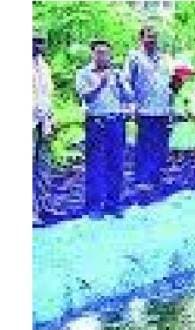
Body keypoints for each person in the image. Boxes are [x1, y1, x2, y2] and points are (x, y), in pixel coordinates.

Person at [75, 39, 130, 218]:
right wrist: (100, 84)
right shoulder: (83, 73)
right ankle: (94, 206)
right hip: (95, 123)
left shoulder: (117, 73)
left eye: (105, 53)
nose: (102, 56)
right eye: (98, 52)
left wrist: (121, 83)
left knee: (116, 163)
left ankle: (113, 203)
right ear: (92, 54)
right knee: (95, 165)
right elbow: (86, 98)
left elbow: (129, 97)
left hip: (115, 121)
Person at [124, 25, 173, 197]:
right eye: (148, 37)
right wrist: (131, 106)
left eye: (154, 37)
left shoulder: (165, 58)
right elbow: (127, 82)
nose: (152, 40)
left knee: (161, 144)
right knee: (145, 144)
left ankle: (157, 175)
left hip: (163, 108)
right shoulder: (134, 57)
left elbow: (170, 83)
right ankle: (142, 179)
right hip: (144, 108)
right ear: (141, 39)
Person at [33, 31, 53, 225]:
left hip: (43, 122)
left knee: (43, 166)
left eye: (41, 43)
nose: (39, 46)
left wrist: (50, 117)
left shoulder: (44, 66)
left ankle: (44, 205)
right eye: (35, 42)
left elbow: (47, 95)